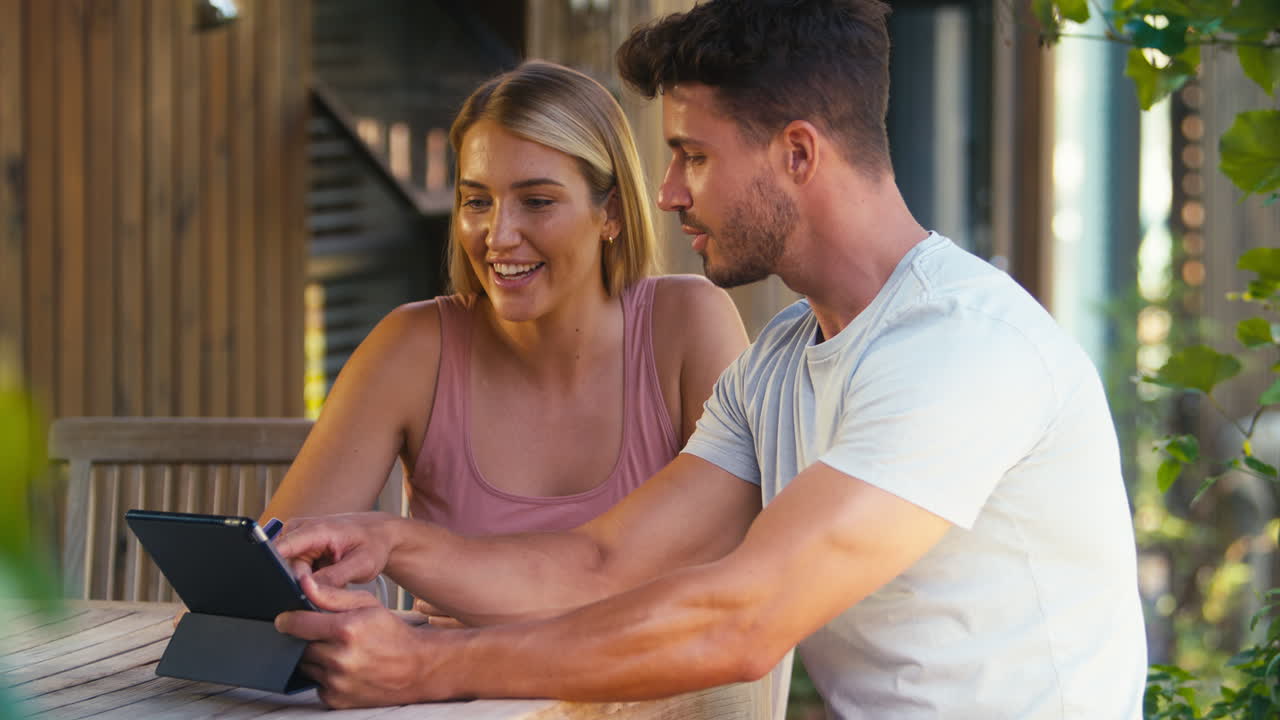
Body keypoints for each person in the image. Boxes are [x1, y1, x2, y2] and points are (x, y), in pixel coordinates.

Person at [274, 1, 1149, 717]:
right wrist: (387, 541)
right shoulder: (779, 360)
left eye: (693, 156)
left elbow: (743, 620)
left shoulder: (960, 348)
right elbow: (599, 566)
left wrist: (432, 666)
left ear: (797, 153)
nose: (667, 192)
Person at [261, 61, 746, 545]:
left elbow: (739, 569)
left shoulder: (689, 324)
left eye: (536, 202)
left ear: (611, 213)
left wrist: (403, 552)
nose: (498, 235)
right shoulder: (413, 347)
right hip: (440, 629)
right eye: (477, 202)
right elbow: (279, 564)